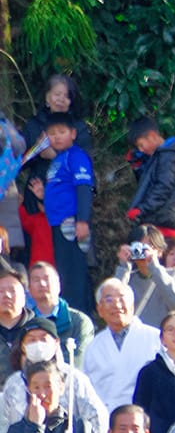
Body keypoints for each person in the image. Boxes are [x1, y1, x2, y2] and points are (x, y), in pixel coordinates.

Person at [2, 319, 107, 433]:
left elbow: (97, 418)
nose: (38, 344)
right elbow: (4, 426)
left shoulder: (74, 378)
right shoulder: (14, 383)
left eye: (43, 339)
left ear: (56, 342)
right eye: (31, 340)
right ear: (23, 346)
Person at [84, 279, 163, 418]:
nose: (116, 304)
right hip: (105, 422)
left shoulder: (155, 338)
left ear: (132, 306)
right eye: (109, 299)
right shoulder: (93, 347)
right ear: (100, 310)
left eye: (121, 298)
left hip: (144, 419)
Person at [42, 115, 95, 317]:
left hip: (71, 223)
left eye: (61, 132)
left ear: (73, 133)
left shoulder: (76, 156)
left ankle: (79, 316)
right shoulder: (57, 159)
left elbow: (83, 188)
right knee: (64, 271)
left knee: (73, 273)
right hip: (56, 224)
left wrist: (82, 220)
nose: (57, 137)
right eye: (52, 134)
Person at [111, 225, 175, 329]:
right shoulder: (128, 277)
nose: (143, 251)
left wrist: (154, 266)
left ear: (160, 252)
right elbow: (113, 304)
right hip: (135, 338)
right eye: (138, 247)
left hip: (164, 339)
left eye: (150, 247)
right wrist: (123, 266)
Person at [124, 116, 175, 235]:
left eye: (141, 144)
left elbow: (163, 188)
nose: (141, 149)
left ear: (153, 135)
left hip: (167, 223)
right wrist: (137, 166)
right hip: (159, 221)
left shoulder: (169, 157)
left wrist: (141, 210)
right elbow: (149, 184)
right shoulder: (158, 157)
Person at [27, 261, 93, 367]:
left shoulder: (79, 321)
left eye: (46, 279)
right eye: (36, 280)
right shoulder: (26, 323)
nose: (42, 284)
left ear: (59, 285)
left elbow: (78, 360)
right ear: (29, 289)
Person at [0, 267, 31, 378]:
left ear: (24, 297)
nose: (7, 295)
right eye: (1, 291)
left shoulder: (38, 330)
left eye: (12, 291)